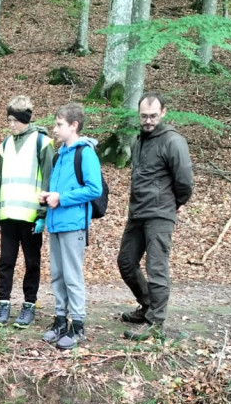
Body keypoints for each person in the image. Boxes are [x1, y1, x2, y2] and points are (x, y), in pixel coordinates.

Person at [118, 92, 194, 340]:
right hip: (138, 213)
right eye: (143, 116)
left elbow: (185, 182)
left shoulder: (173, 141)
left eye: (152, 116)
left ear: (163, 113)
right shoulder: (140, 140)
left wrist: (172, 205)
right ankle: (147, 305)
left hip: (160, 214)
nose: (148, 120)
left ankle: (155, 323)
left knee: (156, 268)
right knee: (126, 262)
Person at [40, 103, 102, 351]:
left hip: (73, 224)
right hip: (56, 223)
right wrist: (48, 198)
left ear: (74, 126)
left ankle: (77, 325)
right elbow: (60, 190)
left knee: (72, 276)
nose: (54, 129)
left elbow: (93, 189)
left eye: (59, 125)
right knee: (58, 274)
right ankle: (59, 321)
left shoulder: (84, 153)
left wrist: (61, 198)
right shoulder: (60, 155)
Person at [0, 96, 54, 329]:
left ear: (25, 120)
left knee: (32, 262)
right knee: (5, 262)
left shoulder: (42, 143)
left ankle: (29, 305)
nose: (11, 124)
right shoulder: (6, 144)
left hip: (30, 217)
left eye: (15, 120)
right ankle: (3, 304)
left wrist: (42, 214)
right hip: (8, 215)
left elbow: (48, 179)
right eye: (9, 120)